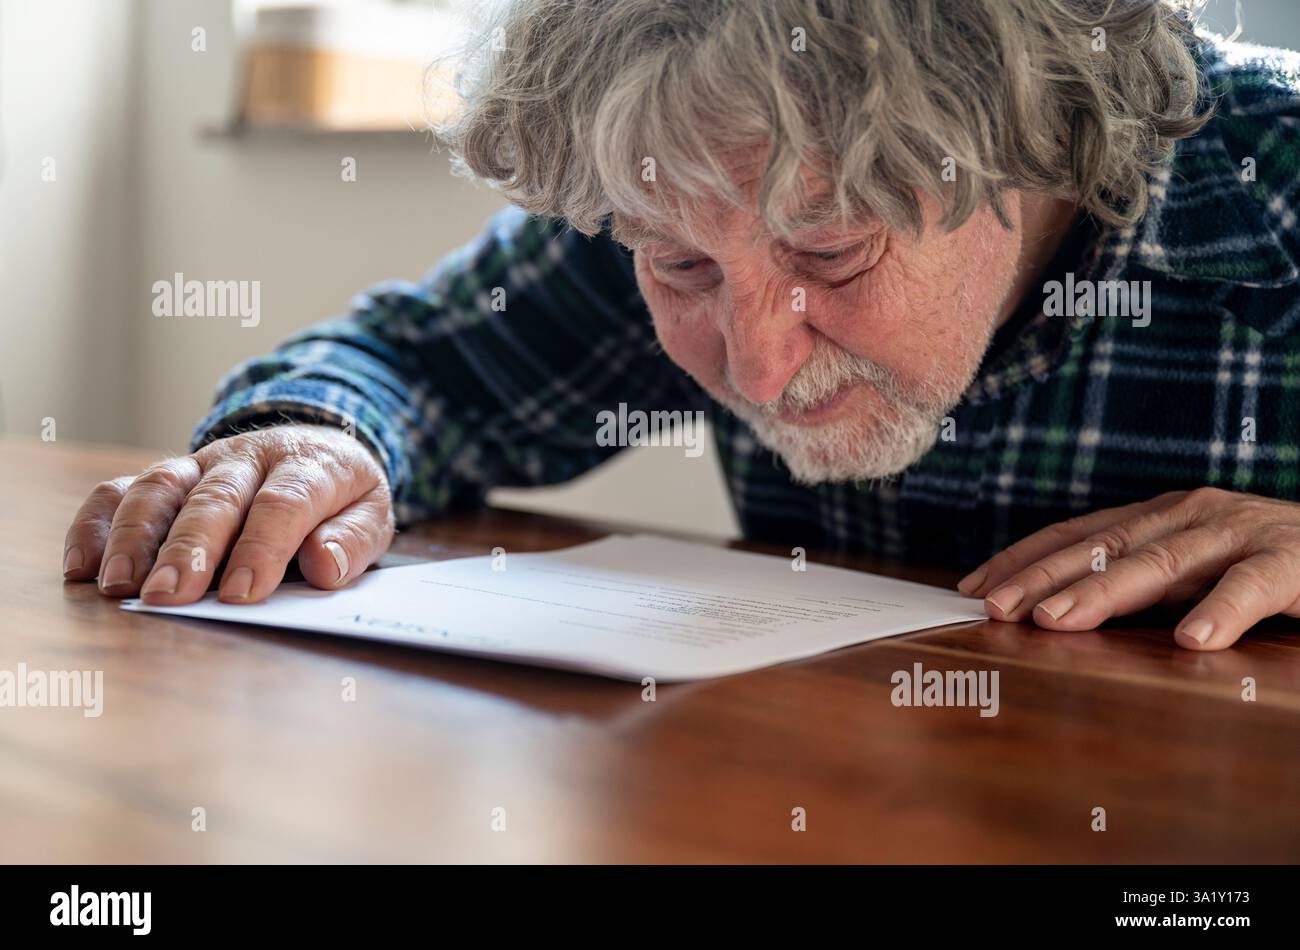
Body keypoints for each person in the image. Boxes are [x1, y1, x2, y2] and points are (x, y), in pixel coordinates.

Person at [62, 1, 1300, 651]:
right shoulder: (692, 182)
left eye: (830, 250)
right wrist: (314, 439)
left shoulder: (1274, 178)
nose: (754, 361)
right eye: (680, 269)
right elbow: (413, 365)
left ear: (1028, 151)